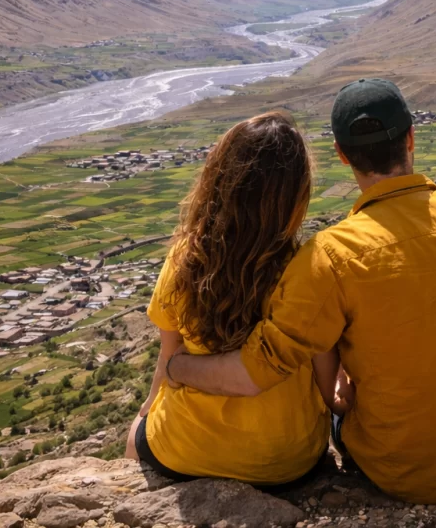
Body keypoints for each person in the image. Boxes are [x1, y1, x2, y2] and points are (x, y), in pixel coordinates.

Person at [164, 78, 436, 503]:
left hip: (403, 473)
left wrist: (177, 370)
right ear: (411, 138)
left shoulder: (331, 255)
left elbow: (255, 373)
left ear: (342, 155)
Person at [125, 112, 350, 483]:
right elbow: (330, 391)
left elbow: (169, 358)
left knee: (137, 431)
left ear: (218, 181)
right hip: (285, 461)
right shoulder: (307, 270)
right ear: (296, 196)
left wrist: (146, 413)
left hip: (186, 452)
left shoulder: (185, 259)